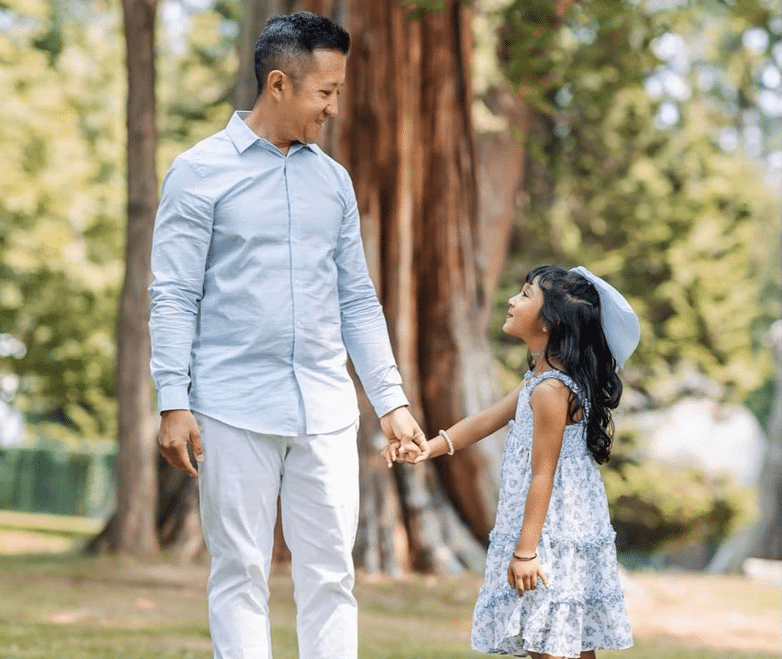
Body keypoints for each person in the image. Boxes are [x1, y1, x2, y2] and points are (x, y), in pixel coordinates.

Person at [149, 12, 427, 659]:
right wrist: (173, 399)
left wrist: (391, 401)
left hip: (326, 409)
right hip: (231, 404)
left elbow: (358, 298)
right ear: (279, 84)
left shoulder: (333, 182)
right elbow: (173, 293)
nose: (333, 107)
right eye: (325, 92)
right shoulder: (199, 173)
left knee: (332, 574)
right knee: (241, 570)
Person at [384, 265, 639, 659]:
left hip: (549, 532)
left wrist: (525, 552)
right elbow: (488, 419)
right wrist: (429, 448)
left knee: (548, 640)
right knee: (567, 640)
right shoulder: (540, 378)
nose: (511, 300)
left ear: (549, 323)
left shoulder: (552, 390)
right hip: (550, 527)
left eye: (524, 295)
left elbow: (543, 474)